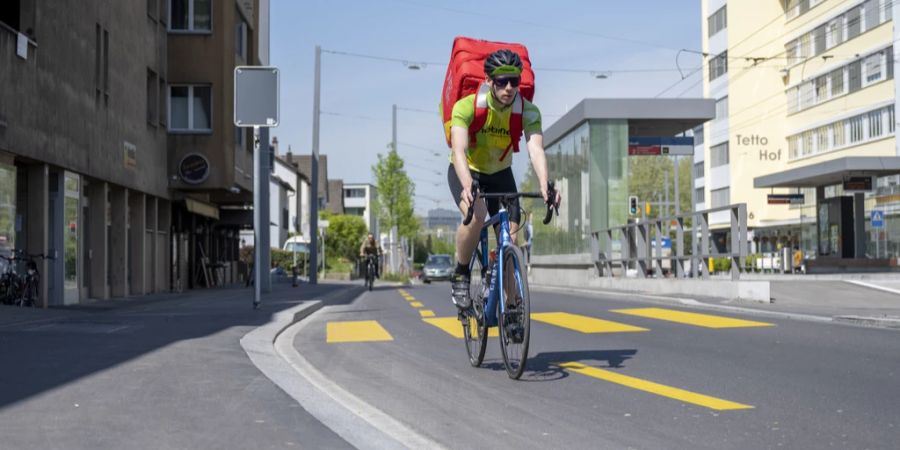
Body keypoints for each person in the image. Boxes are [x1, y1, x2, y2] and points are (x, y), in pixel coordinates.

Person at [447, 48, 560, 310]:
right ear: (489, 81)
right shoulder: (466, 107)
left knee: (511, 237)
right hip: (468, 170)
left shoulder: (527, 111)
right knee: (476, 214)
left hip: (500, 174)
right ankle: (461, 273)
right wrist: (467, 186)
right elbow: (458, 150)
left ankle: (512, 306)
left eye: (514, 81)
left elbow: (535, 149)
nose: (509, 88)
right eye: (501, 81)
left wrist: (545, 185)